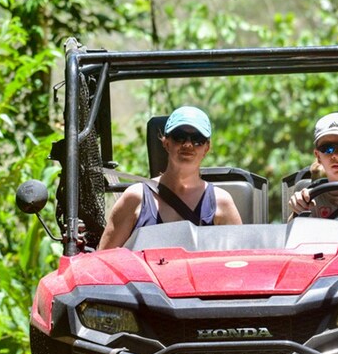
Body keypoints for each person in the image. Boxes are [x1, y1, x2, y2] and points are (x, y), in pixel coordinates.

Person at [97, 106, 242, 250]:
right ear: (166, 143)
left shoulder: (221, 202)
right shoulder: (135, 198)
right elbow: (102, 262)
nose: (188, 144)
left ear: (207, 148)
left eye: (197, 139)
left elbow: (241, 263)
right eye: (180, 137)